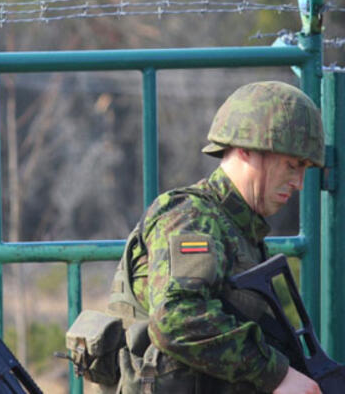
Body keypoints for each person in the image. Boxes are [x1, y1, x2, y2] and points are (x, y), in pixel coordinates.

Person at [106, 81, 324, 394]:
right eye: (291, 165)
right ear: (247, 149)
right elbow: (176, 320)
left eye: (304, 168)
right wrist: (276, 373)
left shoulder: (239, 228)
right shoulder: (191, 216)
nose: (299, 182)